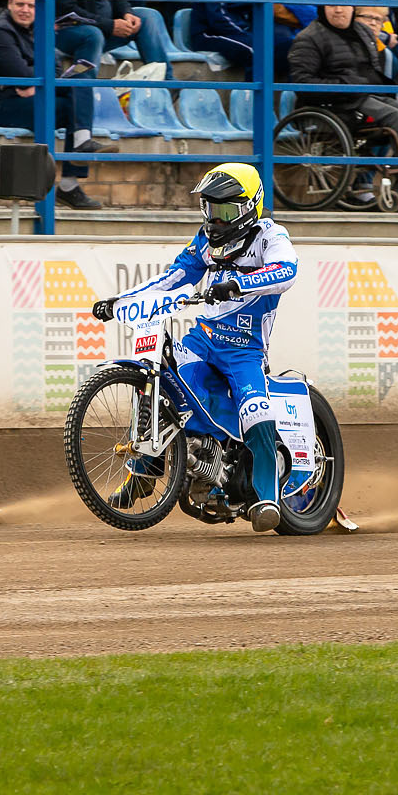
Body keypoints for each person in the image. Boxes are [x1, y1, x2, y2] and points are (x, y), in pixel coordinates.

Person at [87, 164, 300, 533]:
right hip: (203, 340)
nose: (215, 220)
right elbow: (171, 279)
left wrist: (237, 284)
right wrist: (120, 300)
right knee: (157, 383)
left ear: (250, 207)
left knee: (255, 412)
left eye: (225, 211)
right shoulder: (204, 240)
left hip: (245, 350)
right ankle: (144, 474)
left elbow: (287, 271)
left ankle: (267, 498)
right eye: (209, 209)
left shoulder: (270, 235)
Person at [286, 0, 398, 208]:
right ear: (322, 7)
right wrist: (343, 85)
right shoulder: (308, 38)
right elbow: (302, 83)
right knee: (394, 116)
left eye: (344, 4)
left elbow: (370, 70)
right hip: (332, 103)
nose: (338, 9)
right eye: (332, 4)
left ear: (352, 7)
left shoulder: (361, 32)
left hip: (362, 96)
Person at [0, 0, 106, 212]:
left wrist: (36, 85)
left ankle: (80, 149)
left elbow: (54, 68)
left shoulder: (39, 30)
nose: (25, 10)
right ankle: (70, 181)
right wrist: (36, 82)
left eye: (30, 5)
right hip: (0, 106)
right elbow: (20, 73)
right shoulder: (0, 32)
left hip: (29, 97)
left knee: (80, 84)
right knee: (73, 107)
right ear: (9, 4)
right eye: (20, 4)